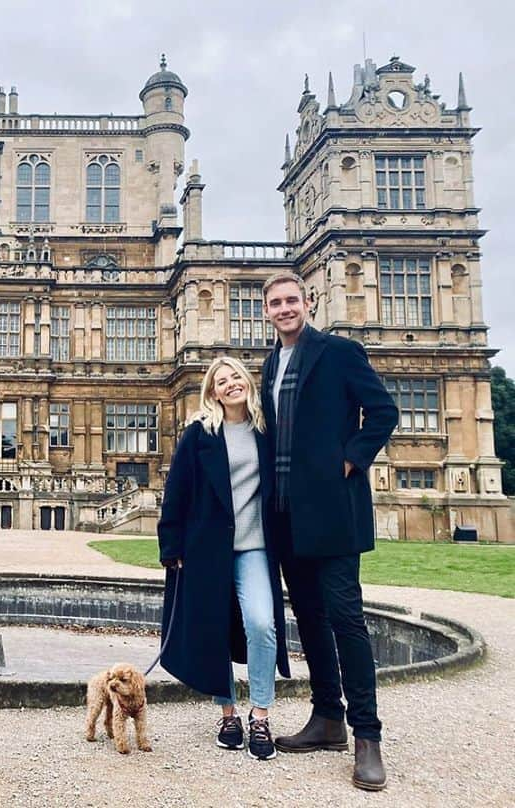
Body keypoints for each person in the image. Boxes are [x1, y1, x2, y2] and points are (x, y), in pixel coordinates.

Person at [259, 271, 398, 791]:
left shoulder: (340, 351)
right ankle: (327, 718)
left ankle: (368, 736)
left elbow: (383, 412)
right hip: (287, 512)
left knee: (346, 619)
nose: (285, 308)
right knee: (311, 619)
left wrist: (351, 460)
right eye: (275, 303)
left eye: (292, 300)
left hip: (334, 511)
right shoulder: (271, 362)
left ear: (308, 302)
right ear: (266, 310)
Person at [157, 356, 291, 761]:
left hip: (254, 545)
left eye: (235, 377)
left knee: (261, 624)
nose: (230, 384)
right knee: (214, 628)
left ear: (247, 382)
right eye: (221, 380)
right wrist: (172, 547)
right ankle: (228, 714)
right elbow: (176, 491)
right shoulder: (200, 432)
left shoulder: (268, 430)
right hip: (208, 547)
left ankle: (261, 714)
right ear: (212, 392)